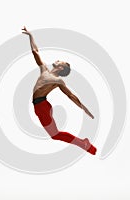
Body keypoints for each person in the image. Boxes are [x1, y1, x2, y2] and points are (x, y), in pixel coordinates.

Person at [22, 26, 97, 155]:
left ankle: (85, 144)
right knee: (55, 135)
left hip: (42, 106)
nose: (58, 60)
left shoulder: (58, 81)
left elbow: (70, 95)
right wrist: (30, 35)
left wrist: (83, 108)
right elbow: (35, 51)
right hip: (39, 106)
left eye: (61, 61)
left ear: (62, 67)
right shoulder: (44, 70)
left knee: (55, 135)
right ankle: (84, 144)